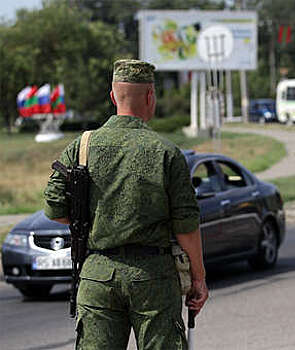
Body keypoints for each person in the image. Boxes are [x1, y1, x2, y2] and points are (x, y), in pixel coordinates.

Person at [43, 59, 208, 350]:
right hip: (153, 277)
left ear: (112, 97)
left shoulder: (81, 146)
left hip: (96, 275)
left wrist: (95, 223)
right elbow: (185, 224)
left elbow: (54, 208)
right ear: (150, 96)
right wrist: (199, 278)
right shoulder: (166, 152)